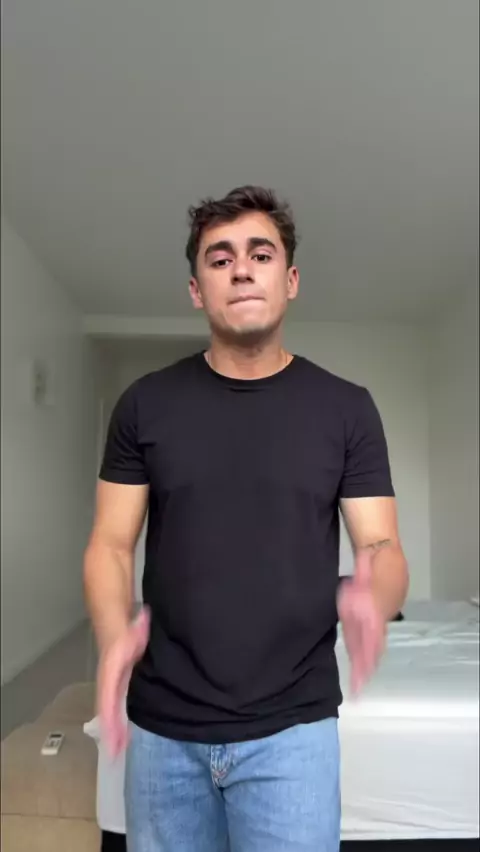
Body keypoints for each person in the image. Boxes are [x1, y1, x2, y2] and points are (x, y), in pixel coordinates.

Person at [84, 185, 409, 852]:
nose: (240, 269)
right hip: (163, 728)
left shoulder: (346, 409)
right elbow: (111, 545)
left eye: (260, 255)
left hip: (294, 730)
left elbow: (380, 543)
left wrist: (375, 599)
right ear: (197, 289)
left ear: (290, 281)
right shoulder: (144, 405)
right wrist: (115, 637)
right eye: (220, 258)